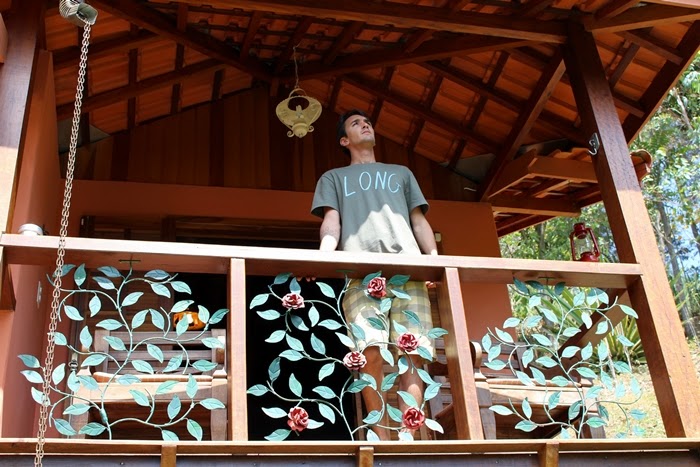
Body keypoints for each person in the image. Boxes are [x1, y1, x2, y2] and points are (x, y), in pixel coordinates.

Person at [311, 109, 438, 440]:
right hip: (360, 275)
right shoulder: (333, 178)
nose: (365, 125)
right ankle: (381, 437)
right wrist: (322, 259)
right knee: (370, 351)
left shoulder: (402, 173)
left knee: (413, 353)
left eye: (367, 122)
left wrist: (434, 259)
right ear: (344, 140)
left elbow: (419, 221)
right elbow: (332, 223)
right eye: (355, 124)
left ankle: (409, 437)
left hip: (410, 271)